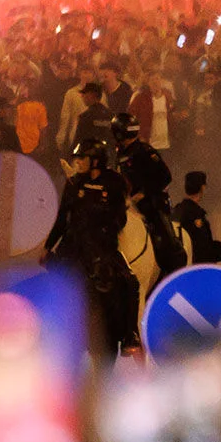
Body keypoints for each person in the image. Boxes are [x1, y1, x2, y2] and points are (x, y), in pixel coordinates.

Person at [46, 140, 138, 351]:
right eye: (76, 159)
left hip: (103, 246)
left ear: (95, 161)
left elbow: (120, 218)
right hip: (74, 244)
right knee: (54, 278)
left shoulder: (114, 182)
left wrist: (104, 226)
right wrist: (48, 246)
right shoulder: (73, 183)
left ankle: (129, 334)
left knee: (130, 282)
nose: (77, 163)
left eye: (81, 159)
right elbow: (62, 217)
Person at [113, 111, 186, 275]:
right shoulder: (120, 153)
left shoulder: (145, 151)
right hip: (129, 202)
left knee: (164, 238)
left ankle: (174, 270)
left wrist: (144, 193)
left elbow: (165, 177)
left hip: (151, 203)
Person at [171, 170, 221, 264]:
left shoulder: (177, 210)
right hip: (196, 268)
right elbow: (201, 247)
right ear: (202, 187)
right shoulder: (196, 214)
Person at [71, 82, 116, 150]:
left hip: (91, 155)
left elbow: (79, 139)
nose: (82, 96)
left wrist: (69, 156)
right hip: (107, 155)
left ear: (90, 95)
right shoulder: (111, 115)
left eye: (84, 94)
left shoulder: (86, 117)